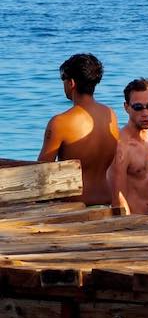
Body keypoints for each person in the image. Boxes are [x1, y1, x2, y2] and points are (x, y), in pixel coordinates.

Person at [39, 53, 119, 205]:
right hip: (107, 201)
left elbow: (41, 171)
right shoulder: (110, 115)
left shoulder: (61, 122)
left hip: (75, 206)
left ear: (71, 83)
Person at [108, 78, 148, 215]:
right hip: (133, 223)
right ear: (126, 107)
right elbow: (118, 198)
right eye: (138, 107)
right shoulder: (121, 146)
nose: (145, 113)